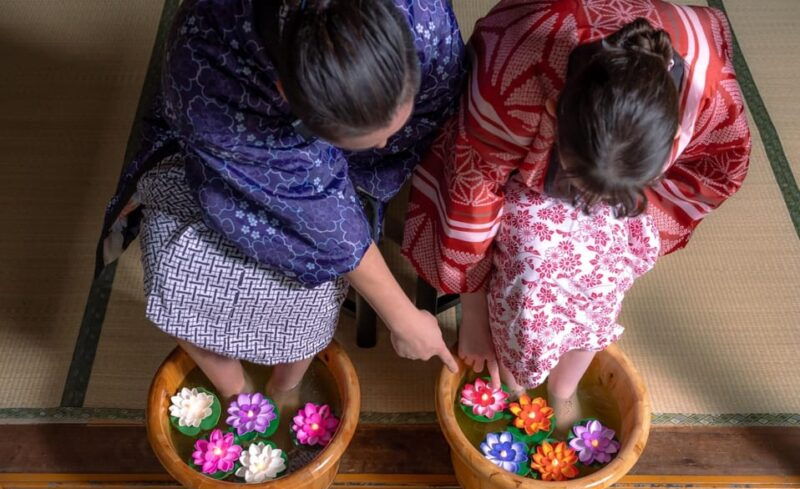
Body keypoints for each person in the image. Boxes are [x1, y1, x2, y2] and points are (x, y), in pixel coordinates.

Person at [402, 0, 751, 433]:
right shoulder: (515, 73)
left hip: (631, 186)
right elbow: (471, 189)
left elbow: (714, 170)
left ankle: (563, 390)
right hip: (525, 179)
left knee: (606, 279)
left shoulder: (707, 87)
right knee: (530, 280)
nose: (591, 206)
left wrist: (629, 247)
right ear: (553, 115)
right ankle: (518, 376)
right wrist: (473, 312)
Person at [96, 0, 465, 401]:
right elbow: (321, 217)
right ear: (284, 92)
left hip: (315, 163)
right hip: (247, 164)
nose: (383, 143)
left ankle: (285, 384)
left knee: (314, 304)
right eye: (371, 137)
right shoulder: (207, 67)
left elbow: (440, 101)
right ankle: (239, 391)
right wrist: (402, 317)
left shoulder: (420, 16)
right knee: (181, 280)